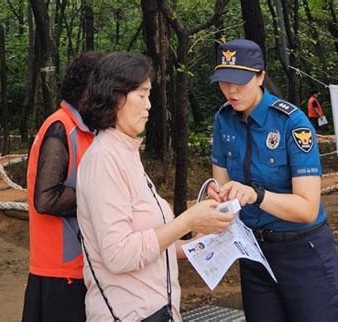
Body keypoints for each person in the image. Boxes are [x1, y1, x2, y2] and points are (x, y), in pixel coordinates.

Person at [75, 52, 234, 322]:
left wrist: (201, 242)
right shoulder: (103, 159)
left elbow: (148, 243)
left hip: (157, 310)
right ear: (115, 96)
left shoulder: (126, 152)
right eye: (142, 95)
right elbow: (118, 255)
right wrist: (188, 220)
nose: (149, 105)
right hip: (129, 313)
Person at [207, 39, 338, 322]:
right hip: (254, 254)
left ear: (260, 76)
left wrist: (256, 195)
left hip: (303, 253)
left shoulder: (291, 123)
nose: (231, 91)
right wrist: (217, 195)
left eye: (241, 81)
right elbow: (220, 185)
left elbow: (307, 208)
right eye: (224, 81)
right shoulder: (224, 120)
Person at [22, 51, 103, 322]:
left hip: (77, 268)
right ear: (88, 91)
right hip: (61, 272)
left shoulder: (83, 130)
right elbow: (45, 198)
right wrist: (101, 197)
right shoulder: (60, 128)